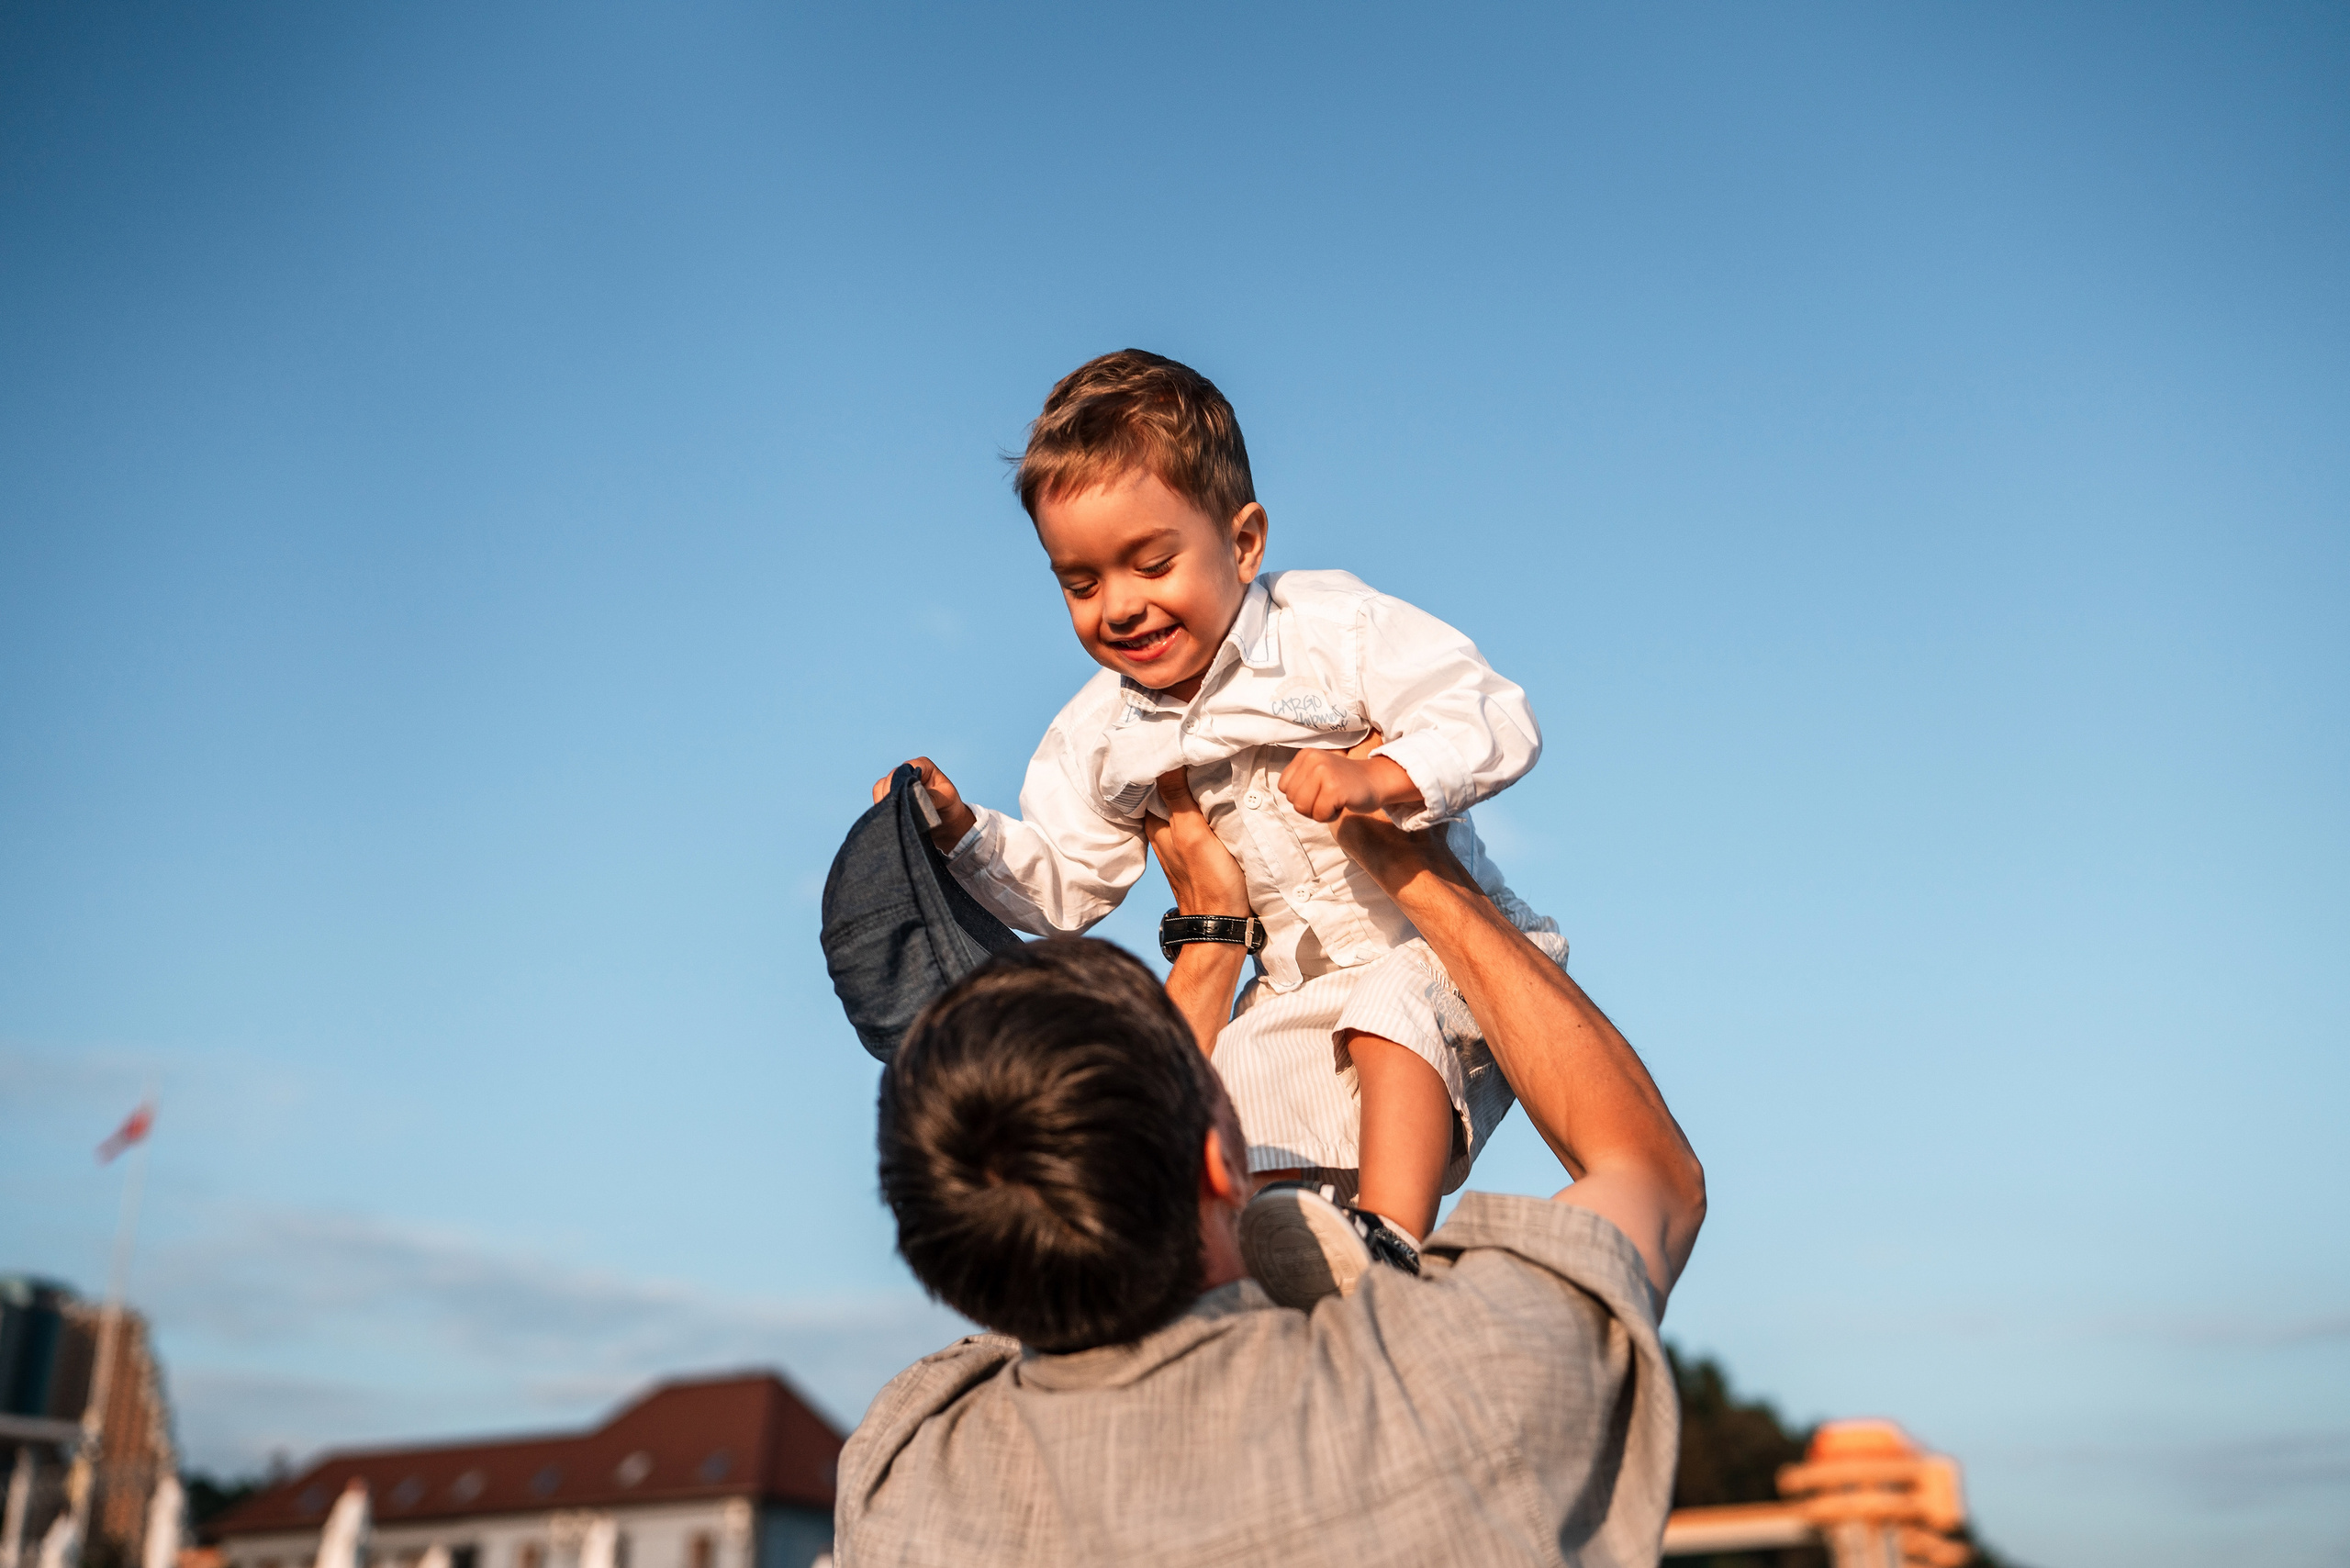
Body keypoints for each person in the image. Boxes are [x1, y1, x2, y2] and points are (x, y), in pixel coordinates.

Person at [835, 777, 1705, 1567]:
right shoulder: (1444, 1381)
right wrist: (1422, 878)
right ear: (1220, 1163)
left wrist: (1212, 949)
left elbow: (1036, 1224)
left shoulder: (905, 1480)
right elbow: (1651, 1176)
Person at [875, 348, 1562, 1304]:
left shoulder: (1330, 629)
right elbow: (1066, 883)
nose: (1119, 605)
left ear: (1242, 543)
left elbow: (1489, 713)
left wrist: (1383, 776)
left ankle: (1392, 1238)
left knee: (1393, 1009)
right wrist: (961, 832)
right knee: (1240, 1072)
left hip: (1441, 947)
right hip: (1289, 981)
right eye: (1079, 582)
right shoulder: (1098, 735)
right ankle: (1288, 1255)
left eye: (1151, 563)